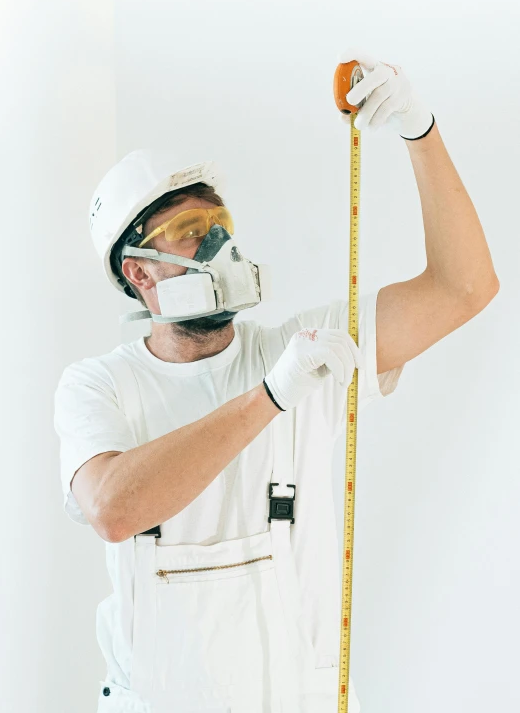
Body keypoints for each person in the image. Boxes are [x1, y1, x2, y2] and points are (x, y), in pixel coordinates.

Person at [53, 50, 499, 713]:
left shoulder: (307, 350)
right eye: (188, 232)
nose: (217, 247)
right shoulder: (100, 386)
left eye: (219, 227)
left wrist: (420, 128)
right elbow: (114, 509)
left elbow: (466, 286)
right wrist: (271, 397)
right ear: (138, 272)